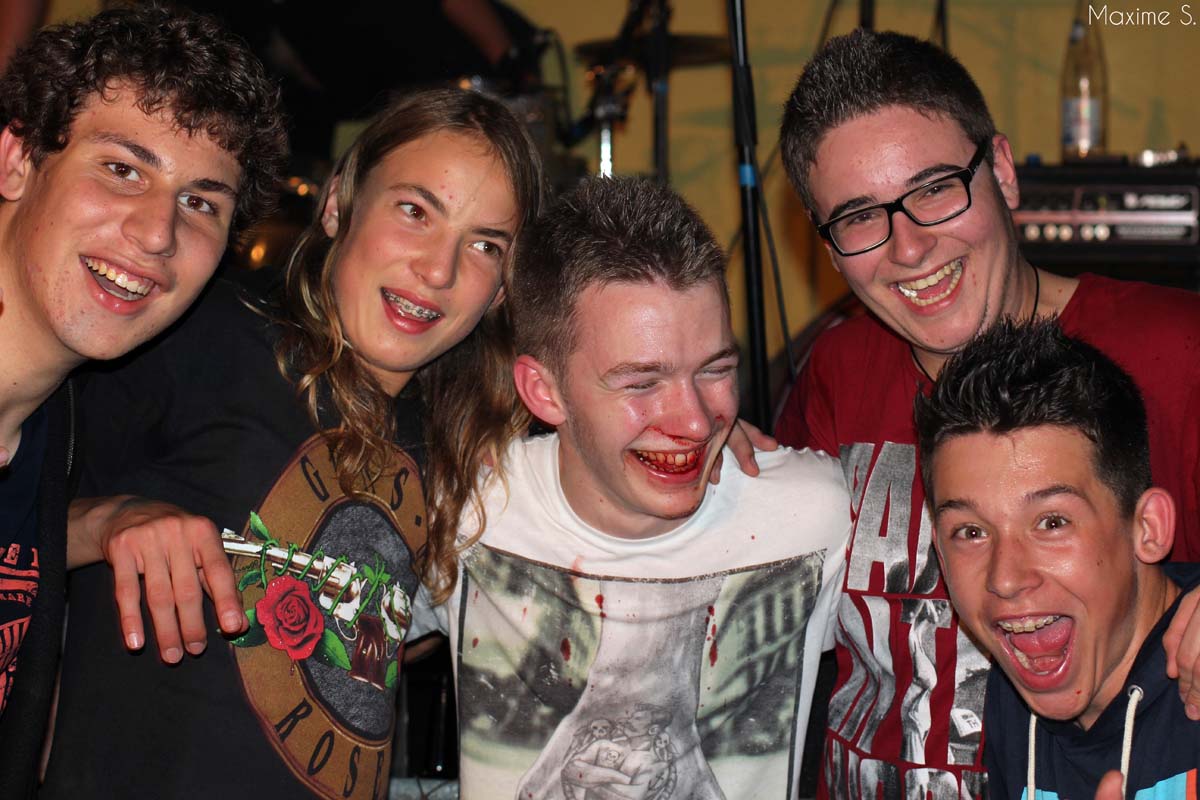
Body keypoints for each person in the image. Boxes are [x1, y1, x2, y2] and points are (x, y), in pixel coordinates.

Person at [41, 87, 542, 799]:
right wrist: (106, 521)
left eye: (485, 245)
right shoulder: (203, 332)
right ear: (338, 203)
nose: (439, 270)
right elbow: (17, 526)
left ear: (502, 288)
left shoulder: (462, 444)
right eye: (414, 211)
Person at [773, 28, 1200, 798]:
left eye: (935, 188)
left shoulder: (1178, 350)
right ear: (828, 248)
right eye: (859, 216)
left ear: (1001, 171)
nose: (909, 248)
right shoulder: (835, 370)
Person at [425, 175, 851, 798]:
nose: (695, 422)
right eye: (642, 383)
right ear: (544, 392)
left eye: (715, 370)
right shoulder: (465, 507)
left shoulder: (817, 515)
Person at [0, 6, 286, 796]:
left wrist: (101, 521)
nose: (158, 232)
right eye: (122, 169)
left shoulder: (55, 430)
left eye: (201, 202)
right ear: (17, 161)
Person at [915, 318, 1200, 799]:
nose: (1005, 578)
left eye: (1051, 522)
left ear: (1147, 528)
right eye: (971, 532)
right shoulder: (1015, 690)